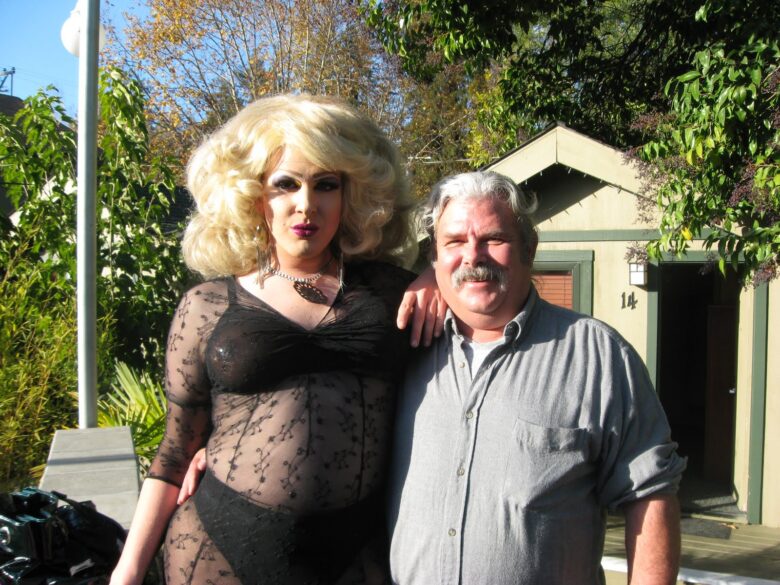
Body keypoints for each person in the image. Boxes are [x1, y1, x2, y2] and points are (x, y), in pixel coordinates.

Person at [110, 94, 442, 585]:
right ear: (252, 196)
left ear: (351, 195)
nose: (306, 205)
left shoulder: (396, 291)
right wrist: (127, 572)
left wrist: (437, 273)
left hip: (357, 547)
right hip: (216, 545)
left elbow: (479, 281)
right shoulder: (206, 305)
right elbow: (176, 451)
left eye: (325, 185)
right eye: (285, 184)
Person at [387, 171, 687, 585]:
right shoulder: (401, 345)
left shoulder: (598, 355)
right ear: (434, 257)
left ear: (529, 248)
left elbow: (650, 495)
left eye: (494, 239)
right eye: (454, 241)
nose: (473, 256)